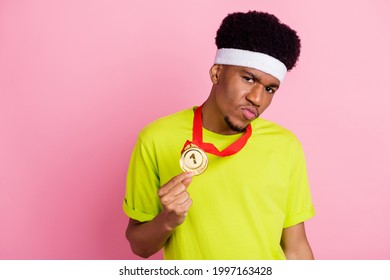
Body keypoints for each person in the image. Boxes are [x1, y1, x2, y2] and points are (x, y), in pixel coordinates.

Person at [123, 11, 315, 260]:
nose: (257, 98)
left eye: (269, 89)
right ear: (216, 73)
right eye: (248, 78)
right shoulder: (156, 138)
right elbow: (140, 246)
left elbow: (296, 248)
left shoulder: (285, 145)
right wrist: (168, 220)